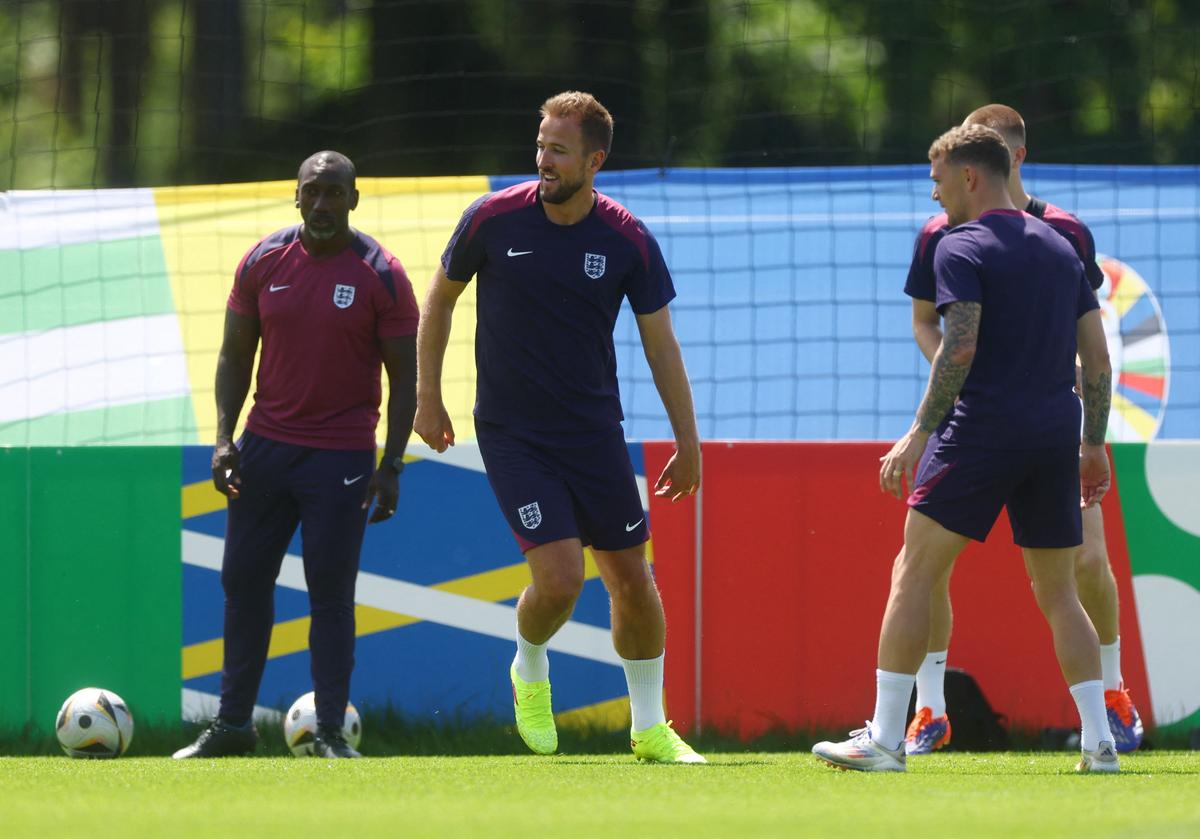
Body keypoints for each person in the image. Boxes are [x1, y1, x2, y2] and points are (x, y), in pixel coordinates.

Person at [813, 124, 1118, 773]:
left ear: (970, 176)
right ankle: (1100, 742)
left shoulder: (961, 245)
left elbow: (959, 345)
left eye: (937, 178)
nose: (934, 193)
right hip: (1055, 430)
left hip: (983, 429)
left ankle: (888, 738)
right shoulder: (1063, 248)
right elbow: (1096, 358)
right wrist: (1092, 441)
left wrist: (919, 433)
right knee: (1059, 593)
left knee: (913, 570)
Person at [414, 91, 705, 764]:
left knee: (633, 579)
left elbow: (662, 346)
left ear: (594, 161)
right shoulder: (491, 219)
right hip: (514, 432)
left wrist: (688, 443)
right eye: (541, 146)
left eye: (559, 150)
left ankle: (650, 727)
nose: (544, 160)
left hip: (595, 431)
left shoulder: (626, 237)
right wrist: (427, 396)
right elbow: (439, 299)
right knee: (561, 580)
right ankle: (529, 668)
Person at [902, 104, 1142, 756]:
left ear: (1009, 162)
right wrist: (967, 376)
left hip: (1043, 414)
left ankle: (1112, 700)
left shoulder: (1065, 235)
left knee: (1077, 567)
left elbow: (1087, 344)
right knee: (932, 567)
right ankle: (930, 707)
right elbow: (934, 327)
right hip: (995, 413)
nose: (939, 186)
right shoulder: (942, 232)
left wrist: (1089, 434)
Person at [173, 151, 419, 760]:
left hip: (339, 456)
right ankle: (233, 727)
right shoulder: (262, 260)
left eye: (335, 193)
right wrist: (225, 438)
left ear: (354, 200)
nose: (323, 204)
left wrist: (391, 466)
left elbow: (405, 381)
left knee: (328, 592)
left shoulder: (382, 274)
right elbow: (234, 356)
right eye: (313, 192)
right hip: (265, 449)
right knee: (243, 582)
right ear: (297, 196)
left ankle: (329, 732)